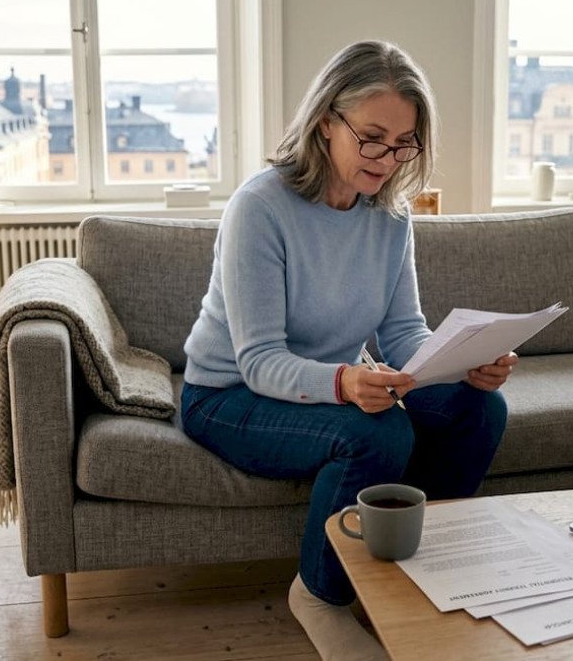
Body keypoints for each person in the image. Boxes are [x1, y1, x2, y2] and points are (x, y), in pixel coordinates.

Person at [180, 40, 517, 661]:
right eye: (372, 137)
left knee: (480, 410)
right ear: (325, 121)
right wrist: (343, 382)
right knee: (378, 434)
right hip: (227, 395)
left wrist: (460, 362)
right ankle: (319, 594)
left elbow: (403, 332)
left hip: (327, 384)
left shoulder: (390, 216)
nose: (388, 158)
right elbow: (258, 360)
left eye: (404, 142)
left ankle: (411, 568)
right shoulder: (260, 208)